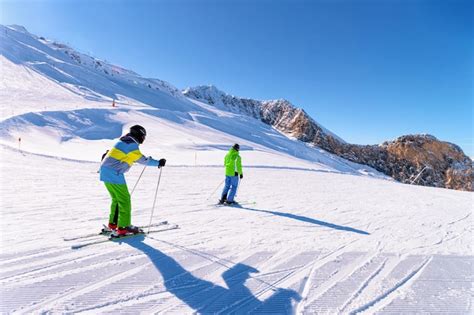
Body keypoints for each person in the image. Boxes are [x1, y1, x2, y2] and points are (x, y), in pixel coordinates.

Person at [100, 125, 166, 236]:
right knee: (125, 200)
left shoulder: (123, 142)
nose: (143, 139)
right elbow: (142, 160)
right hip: (114, 174)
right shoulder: (131, 145)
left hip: (105, 172)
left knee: (116, 199)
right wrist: (158, 162)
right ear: (139, 135)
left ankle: (113, 225)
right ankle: (124, 227)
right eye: (143, 136)